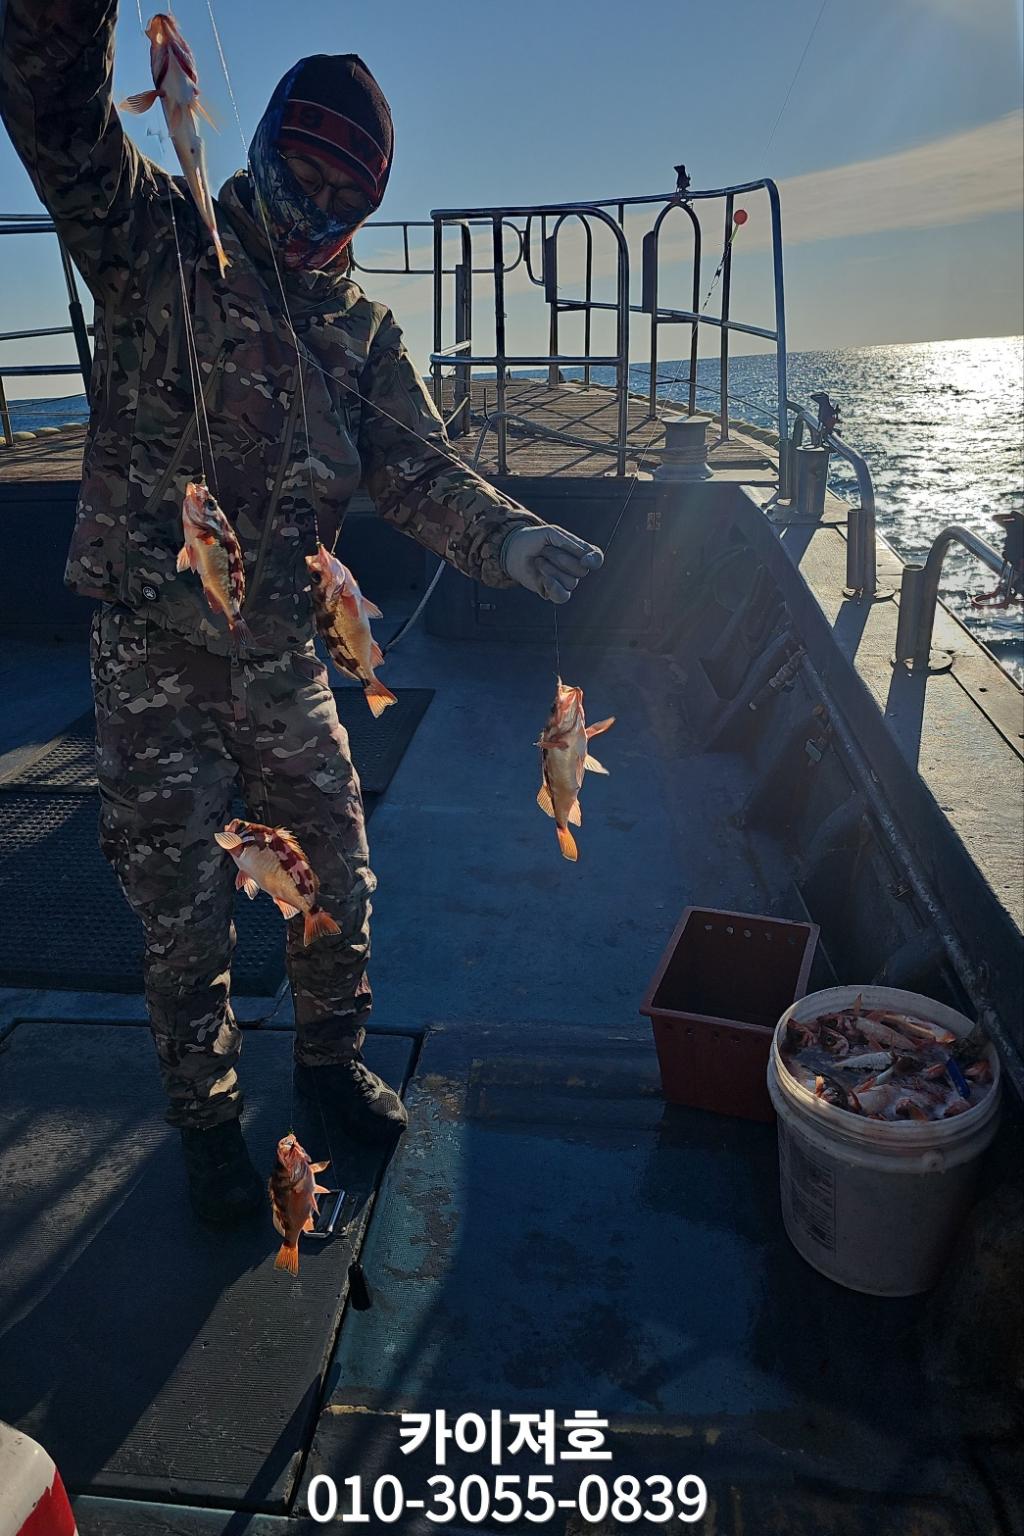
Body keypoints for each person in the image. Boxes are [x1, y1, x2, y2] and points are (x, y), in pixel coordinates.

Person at [0, 4, 604, 1224]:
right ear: (256, 147)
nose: (306, 210)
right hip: (153, 653)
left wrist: (511, 538)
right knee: (182, 915)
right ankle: (211, 1127)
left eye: (339, 199)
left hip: (281, 655)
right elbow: (58, 114)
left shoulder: (364, 337)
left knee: (337, 875)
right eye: (291, 175)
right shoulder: (150, 239)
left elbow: (418, 469)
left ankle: (327, 1074)